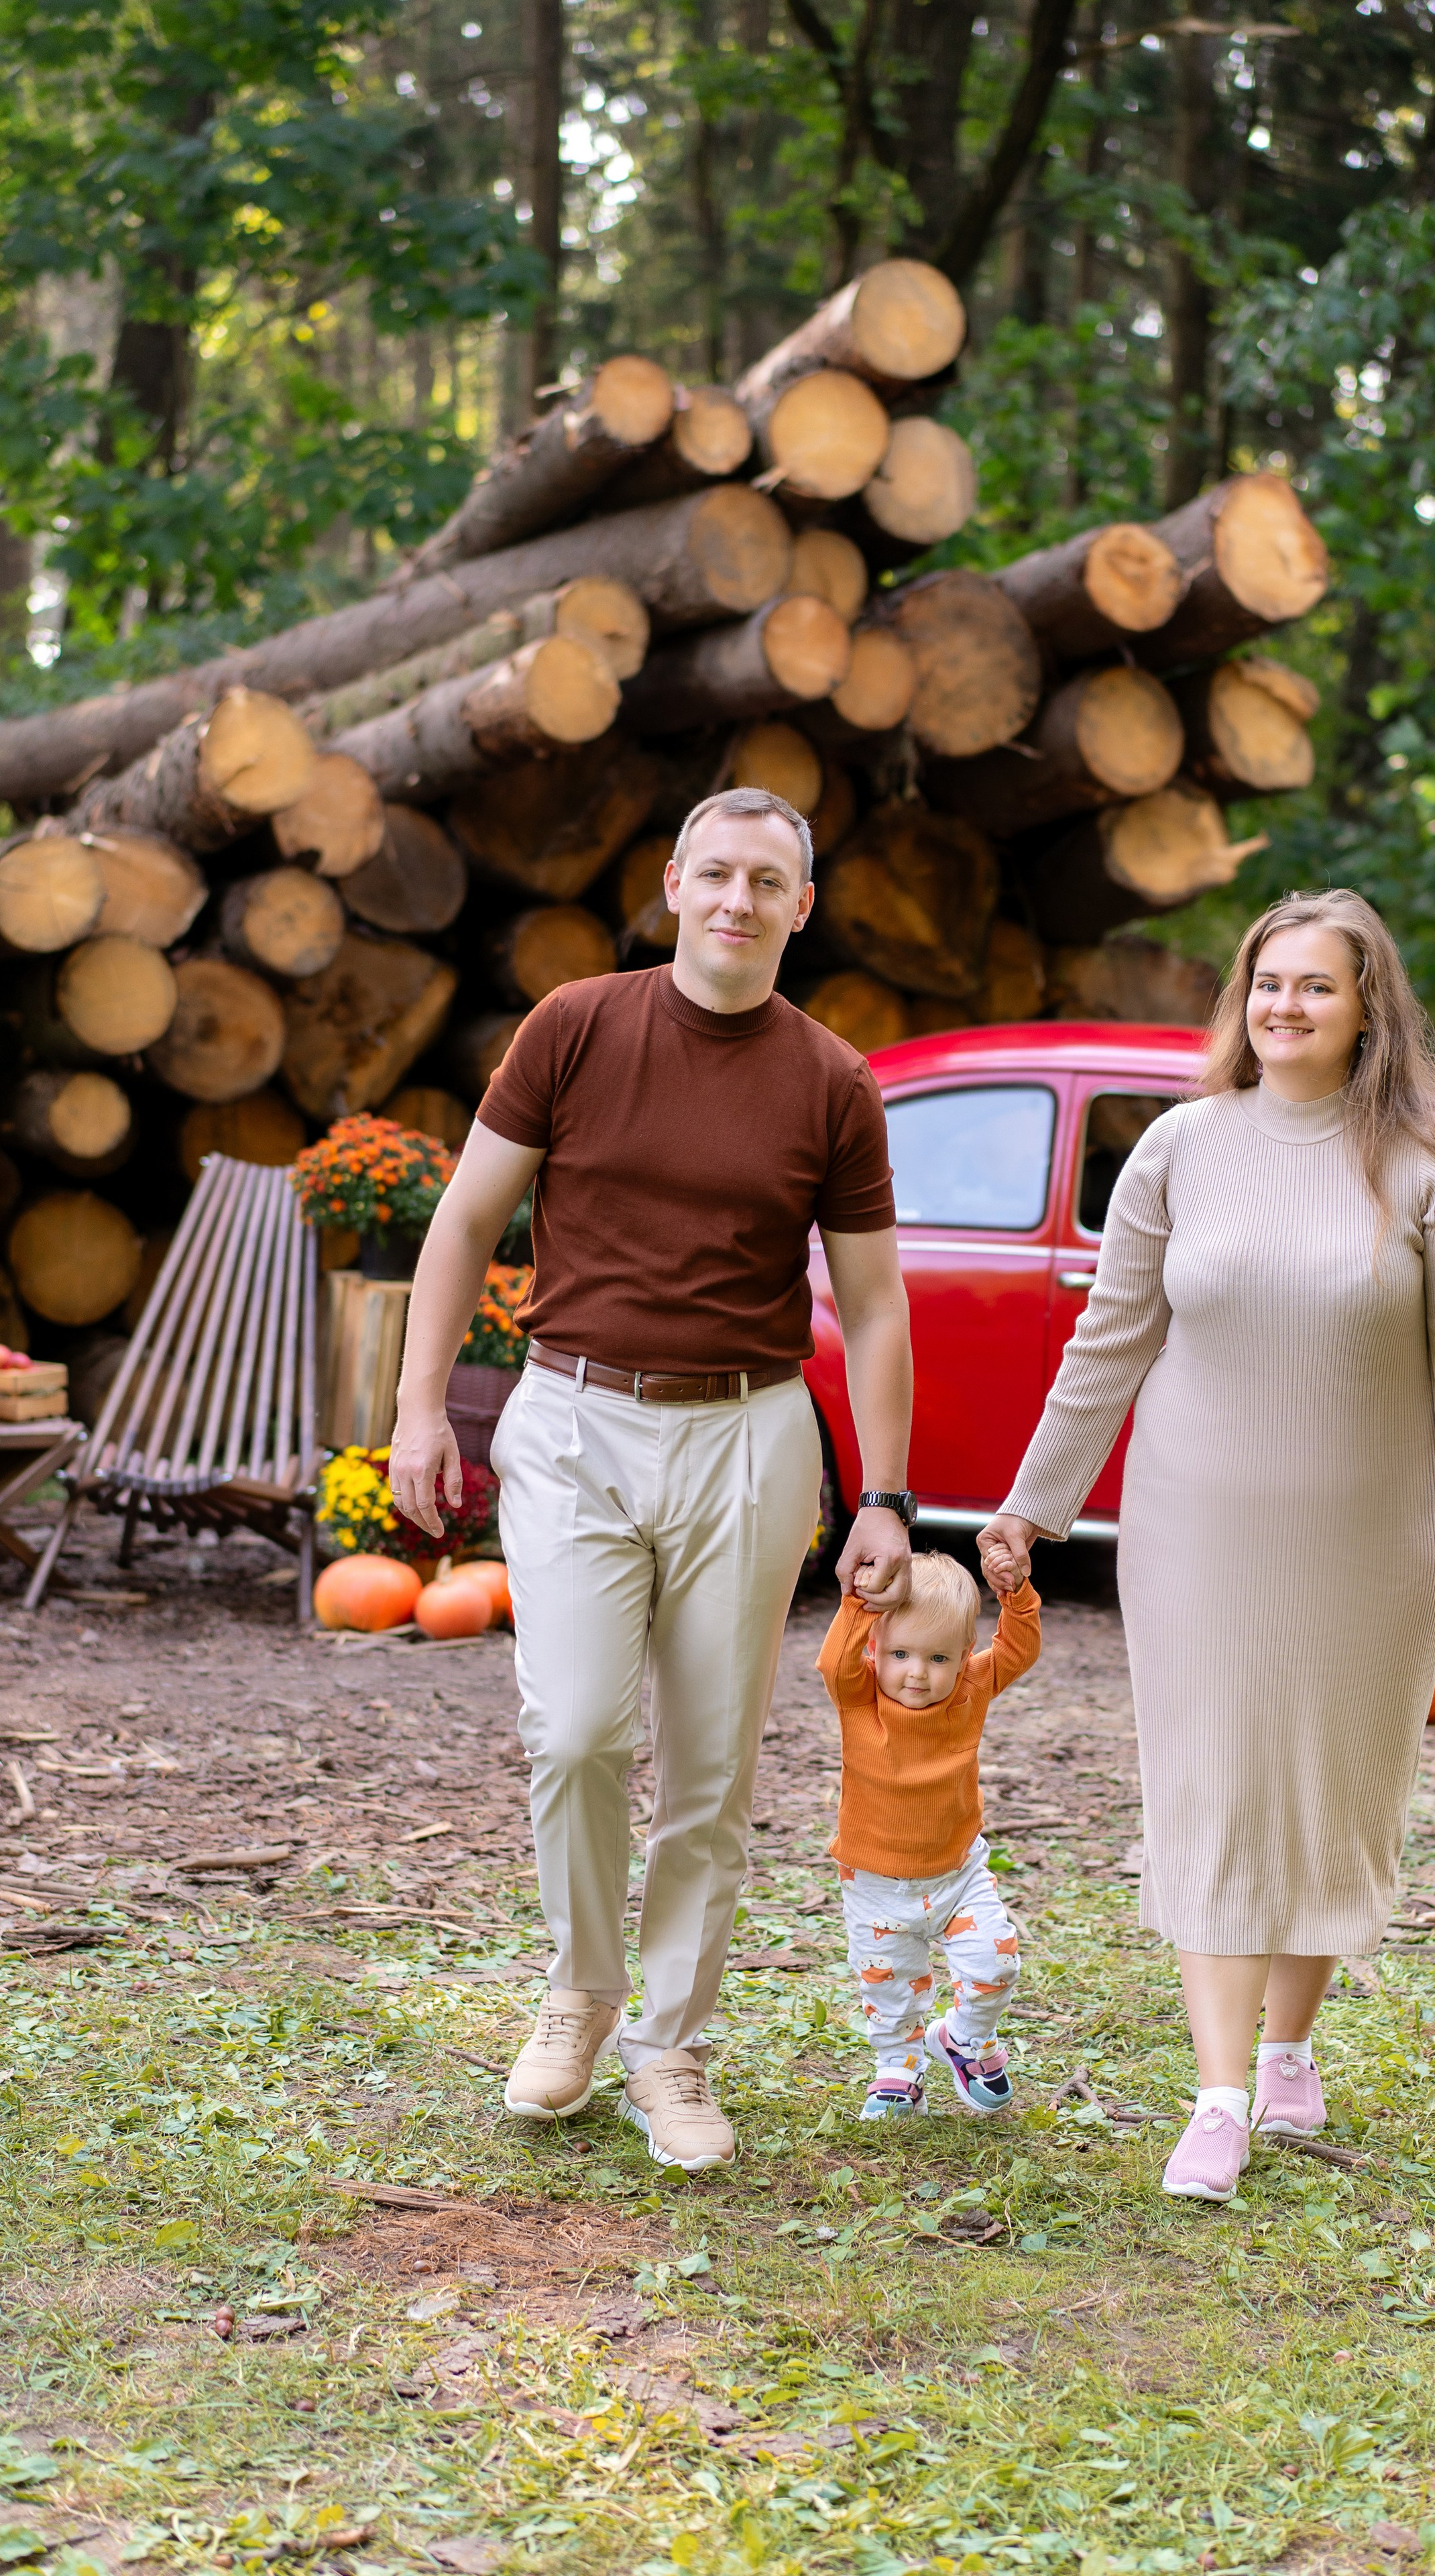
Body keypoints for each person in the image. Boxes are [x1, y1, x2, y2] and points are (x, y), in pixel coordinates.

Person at [388, 787, 916, 2174]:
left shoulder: (830, 1081)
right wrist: (416, 1406)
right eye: (717, 875)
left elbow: (870, 1310)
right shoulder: (574, 1025)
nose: (739, 902)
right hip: (570, 1421)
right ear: (674, 884)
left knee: (709, 1766)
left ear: (801, 908)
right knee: (573, 1733)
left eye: (769, 883)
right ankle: (581, 1990)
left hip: (747, 1436)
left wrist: (884, 1495)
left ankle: (671, 2044)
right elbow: (465, 1221)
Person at [978, 889, 1435, 2204]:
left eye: (1315, 985)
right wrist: (1029, 1500)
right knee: (1215, 1791)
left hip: (1366, 1543)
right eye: (1267, 982)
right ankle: (1216, 2099)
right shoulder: (1177, 1145)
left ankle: (1286, 2051)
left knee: (1326, 1795)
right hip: (1195, 1533)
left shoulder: (1434, 1166)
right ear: (1243, 1000)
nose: (1285, 1005)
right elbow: (1108, 1340)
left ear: (1363, 1005)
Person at [817, 1550, 1039, 2119]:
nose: (917, 1673)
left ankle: (963, 2039)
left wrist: (1015, 1596)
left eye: (938, 1657)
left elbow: (1019, 1649)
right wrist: (860, 1602)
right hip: (874, 1883)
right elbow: (833, 1661)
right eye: (900, 1654)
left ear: (964, 1658)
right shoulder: (858, 1696)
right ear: (874, 1650)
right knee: (891, 1988)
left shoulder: (970, 1690)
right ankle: (898, 2067)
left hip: (957, 1873)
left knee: (997, 1962)